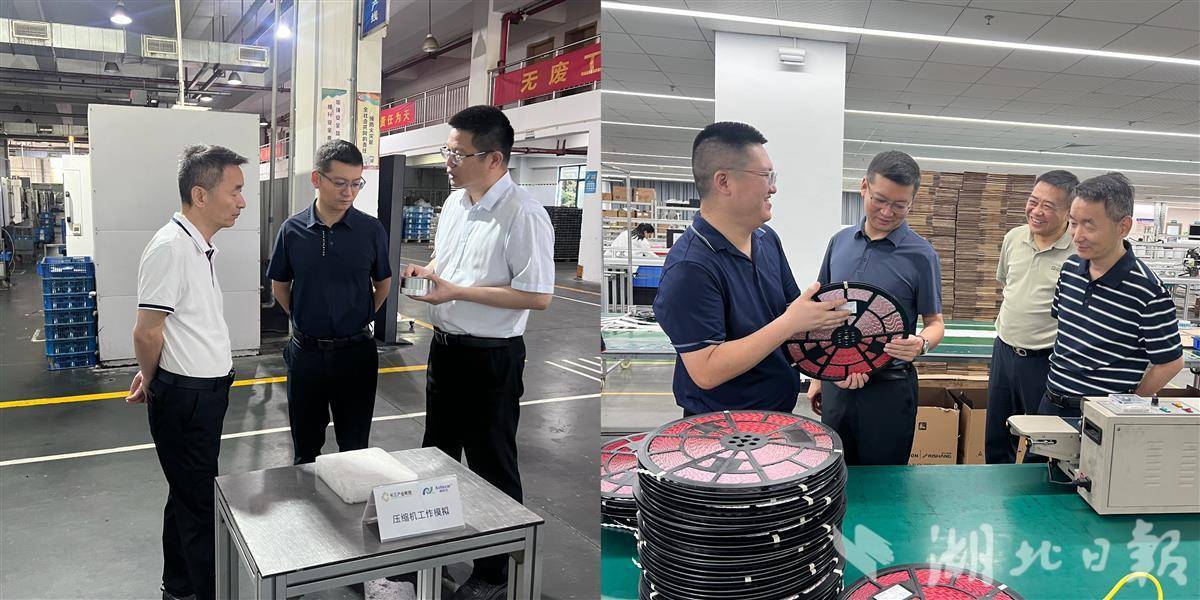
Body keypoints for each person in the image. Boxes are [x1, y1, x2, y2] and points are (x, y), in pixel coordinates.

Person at [403, 105, 554, 600]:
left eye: (457, 153)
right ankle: (430, 556)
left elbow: (537, 295)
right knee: (436, 456)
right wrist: (427, 274)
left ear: (493, 159)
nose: (447, 161)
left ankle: (494, 572)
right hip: (445, 351)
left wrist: (459, 292)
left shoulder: (523, 214)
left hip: (492, 358)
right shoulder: (454, 204)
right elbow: (445, 264)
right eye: (447, 151)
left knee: (492, 464)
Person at [653, 122, 850, 417]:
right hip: (722, 427)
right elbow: (706, 370)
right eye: (765, 176)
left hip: (777, 415)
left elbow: (792, 313)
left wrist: (834, 363)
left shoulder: (765, 239)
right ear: (724, 182)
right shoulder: (690, 267)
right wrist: (790, 322)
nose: (773, 188)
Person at [127, 145, 246, 600]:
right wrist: (151, 377)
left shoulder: (198, 246)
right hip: (186, 399)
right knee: (200, 508)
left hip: (203, 395)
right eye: (234, 191)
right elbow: (146, 331)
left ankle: (177, 586)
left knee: (185, 493)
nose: (241, 202)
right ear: (200, 195)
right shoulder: (170, 248)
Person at [807, 150, 944, 466]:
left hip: (889, 388)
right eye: (879, 200)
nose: (886, 212)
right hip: (837, 381)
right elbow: (820, 313)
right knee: (834, 473)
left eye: (899, 205)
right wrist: (818, 376)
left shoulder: (922, 255)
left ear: (911, 202)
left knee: (885, 482)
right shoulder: (839, 242)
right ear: (863, 187)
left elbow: (935, 322)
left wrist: (921, 344)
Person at [267, 140, 392, 465]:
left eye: (356, 183)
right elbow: (280, 285)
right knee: (305, 449)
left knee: (355, 448)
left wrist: (362, 315)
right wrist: (302, 316)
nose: (348, 192)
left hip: (356, 354)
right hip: (306, 354)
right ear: (317, 179)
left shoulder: (371, 230)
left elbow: (383, 283)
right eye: (339, 183)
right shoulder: (292, 230)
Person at [1040, 172, 1184, 418]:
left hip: (1101, 414)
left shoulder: (1148, 292)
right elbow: (1066, 337)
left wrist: (1128, 406)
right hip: (1051, 401)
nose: (1077, 235)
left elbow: (1171, 362)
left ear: (1123, 227)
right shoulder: (1070, 270)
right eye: (1073, 223)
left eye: (1089, 225)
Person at [985, 170, 1078, 464]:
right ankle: (995, 484)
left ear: (1069, 212)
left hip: (1046, 359)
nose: (1036, 211)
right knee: (997, 434)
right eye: (1033, 201)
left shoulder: (1078, 253)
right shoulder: (1014, 238)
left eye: (1048, 206)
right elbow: (1006, 283)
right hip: (1004, 350)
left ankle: (1031, 491)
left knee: (1042, 442)